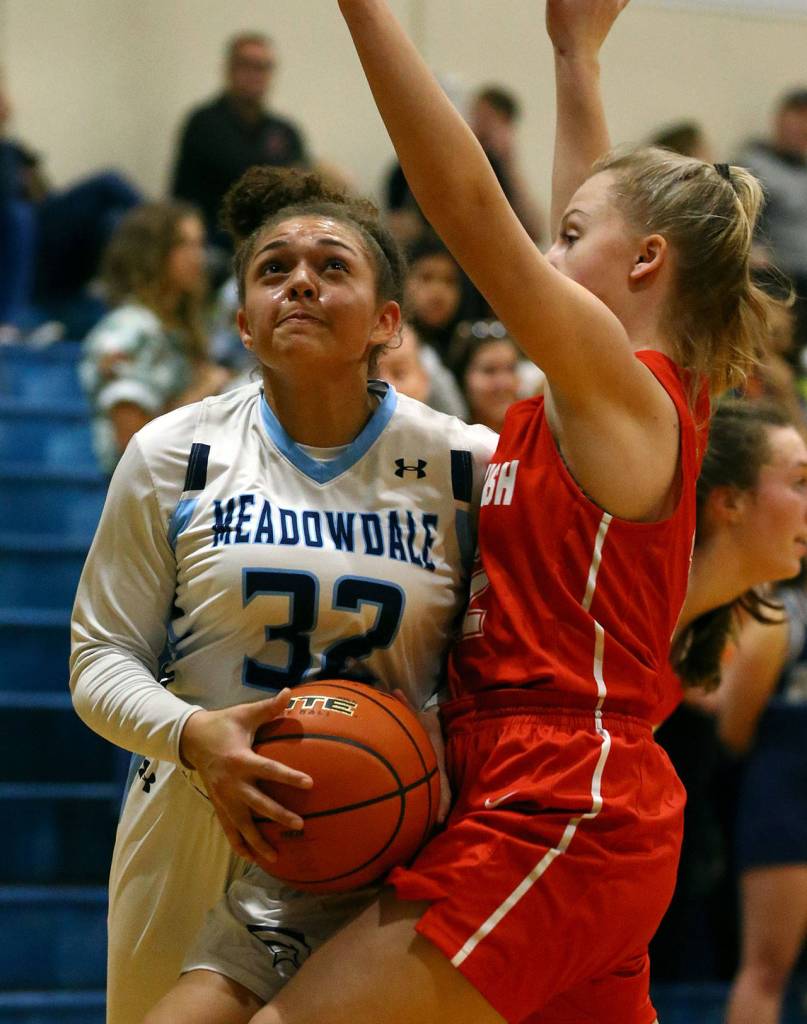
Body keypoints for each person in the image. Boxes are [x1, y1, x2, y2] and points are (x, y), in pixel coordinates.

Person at [206, 0, 772, 1019]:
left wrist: (364, 11)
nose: (547, 253)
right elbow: (591, 212)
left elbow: (469, 208)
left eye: (568, 237)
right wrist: (574, 56)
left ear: (645, 263)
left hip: (558, 800)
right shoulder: (610, 393)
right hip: (551, 793)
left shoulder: (624, 391)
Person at [70, 166, 495, 1024]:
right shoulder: (172, 453)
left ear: (387, 322)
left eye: (331, 266)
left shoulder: (465, 465)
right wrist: (192, 736)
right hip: (196, 817)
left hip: (382, 836)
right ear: (242, 323)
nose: (299, 282)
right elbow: (98, 657)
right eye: (273, 269)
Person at [79, 201, 230, 475]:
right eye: (184, 245)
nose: (198, 257)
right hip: (145, 491)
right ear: (152, 253)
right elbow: (131, 443)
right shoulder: (127, 330)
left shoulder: (184, 329)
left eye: (200, 244)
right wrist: (204, 390)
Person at [720, 574, 807, 1024]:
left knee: (766, 973)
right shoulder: (781, 616)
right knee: (767, 971)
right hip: (786, 802)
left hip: (783, 793)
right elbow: (733, 727)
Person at [171, 32, 309, 248]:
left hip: (275, 239)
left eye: (262, 67)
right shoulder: (204, 123)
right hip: (212, 243)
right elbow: (242, 176)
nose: (255, 75)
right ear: (229, 69)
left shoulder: (285, 131)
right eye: (247, 65)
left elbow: (301, 190)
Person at [735, 87, 807, 353]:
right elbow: (737, 217)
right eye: (798, 122)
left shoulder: (802, 169)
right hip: (783, 278)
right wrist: (751, 248)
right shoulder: (754, 166)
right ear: (780, 121)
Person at [448, 319, 524, 432]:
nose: (503, 383)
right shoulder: (447, 438)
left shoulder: (538, 433)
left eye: (510, 369)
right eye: (489, 371)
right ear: (462, 379)